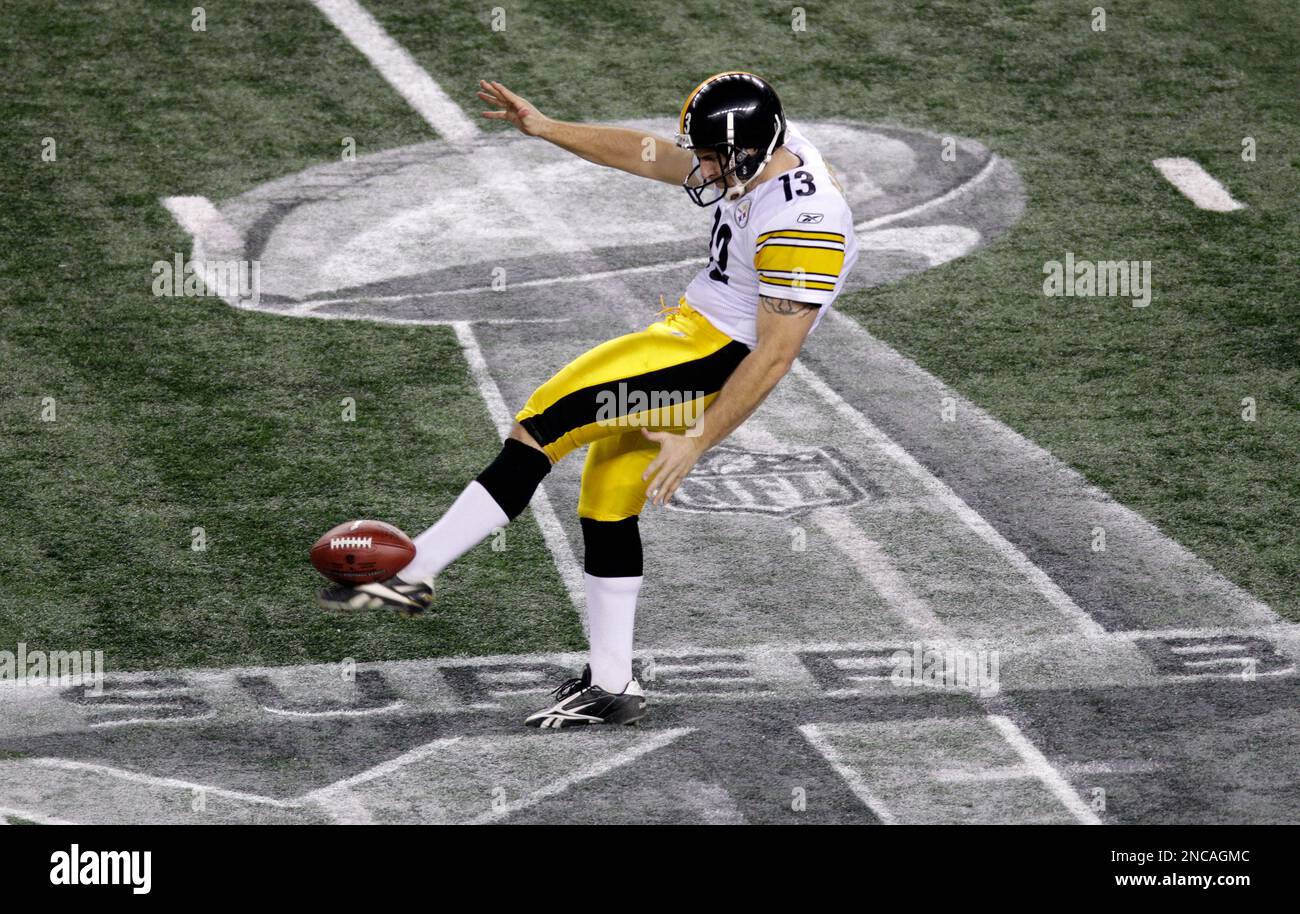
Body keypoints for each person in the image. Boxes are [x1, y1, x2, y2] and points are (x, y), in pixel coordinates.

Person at [319, 71, 859, 729]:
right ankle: (612, 684)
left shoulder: (804, 221)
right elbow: (650, 155)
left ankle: (416, 569)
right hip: (690, 334)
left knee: (546, 419)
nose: (701, 169)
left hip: (710, 360)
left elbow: (774, 354)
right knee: (606, 501)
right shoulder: (767, 147)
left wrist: (699, 436)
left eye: (714, 159)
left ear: (748, 152)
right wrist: (547, 128)